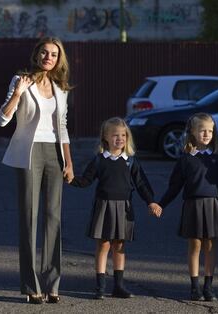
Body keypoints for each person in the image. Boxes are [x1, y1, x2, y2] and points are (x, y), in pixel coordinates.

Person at [0, 37, 74, 304]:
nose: (48, 57)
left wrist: (69, 161)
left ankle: (52, 283)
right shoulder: (21, 80)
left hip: (54, 154)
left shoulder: (61, 88)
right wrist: (18, 93)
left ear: (58, 59)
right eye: (44, 52)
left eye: (53, 54)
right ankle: (31, 286)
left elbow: (62, 125)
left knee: (54, 219)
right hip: (28, 153)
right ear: (37, 55)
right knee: (30, 219)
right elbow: (2, 119)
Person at [68, 117, 162, 300]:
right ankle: (100, 287)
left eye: (123, 135)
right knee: (103, 245)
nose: (120, 139)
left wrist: (151, 201)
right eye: (115, 135)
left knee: (119, 246)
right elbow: (86, 180)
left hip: (124, 208)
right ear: (105, 137)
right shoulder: (99, 160)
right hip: (103, 207)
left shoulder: (131, 161)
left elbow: (141, 184)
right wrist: (70, 179)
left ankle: (118, 286)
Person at [158, 113, 218, 302]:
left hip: (213, 205)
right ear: (193, 133)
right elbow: (175, 186)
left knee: (210, 246)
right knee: (195, 245)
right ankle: (194, 286)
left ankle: (208, 286)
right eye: (202, 130)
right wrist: (160, 204)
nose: (206, 134)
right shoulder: (185, 159)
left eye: (210, 131)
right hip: (193, 205)